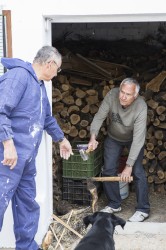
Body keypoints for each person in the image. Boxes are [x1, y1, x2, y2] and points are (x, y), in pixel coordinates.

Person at [0, 46, 73, 250]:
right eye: (58, 69)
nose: (57, 74)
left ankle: (27, 247)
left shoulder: (39, 86)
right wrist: (8, 144)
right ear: (49, 64)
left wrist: (61, 139)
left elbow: (46, 119)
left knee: (26, 204)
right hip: (7, 158)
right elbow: (0, 111)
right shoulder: (18, 77)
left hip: (26, 160)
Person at [88, 78, 150, 222]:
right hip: (114, 137)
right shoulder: (112, 95)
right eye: (122, 92)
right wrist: (93, 137)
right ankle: (114, 204)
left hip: (134, 139)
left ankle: (143, 209)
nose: (123, 96)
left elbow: (139, 139)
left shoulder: (141, 106)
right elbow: (99, 117)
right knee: (108, 169)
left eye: (128, 94)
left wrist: (128, 166)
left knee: (137, 171)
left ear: (135, 96)